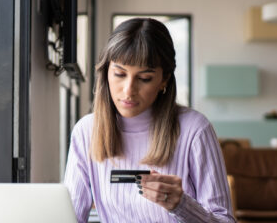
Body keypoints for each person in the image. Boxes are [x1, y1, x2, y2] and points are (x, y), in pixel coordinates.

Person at [64, 18, 236, 223]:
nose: (128, 91)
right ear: (106, 73)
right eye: (119, 74)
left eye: (144, 78)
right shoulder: (86, 131)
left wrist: (181, 205)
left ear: (163, 80)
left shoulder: (194, 129)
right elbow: (69, 217)